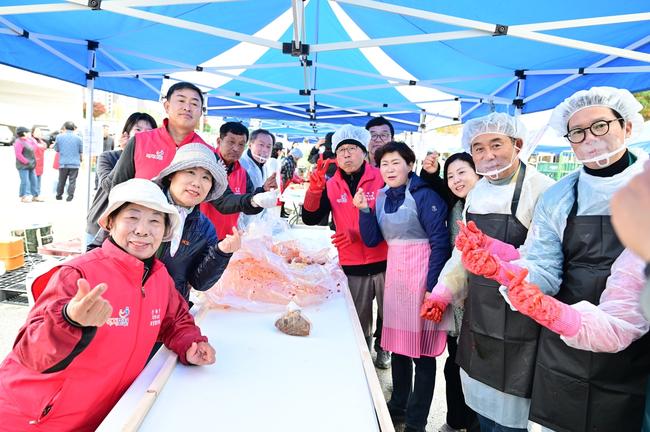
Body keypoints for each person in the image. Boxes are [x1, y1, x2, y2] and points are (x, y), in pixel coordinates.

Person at [457, 87, 650, 432]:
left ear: (628, 127)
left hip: (637, 343)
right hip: (562, 335)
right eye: (577, 132)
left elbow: (631, 297)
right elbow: (543, 261)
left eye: (600, 126)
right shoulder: (560, 196)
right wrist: (514, 276)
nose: (589, 139)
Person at [0, 178, 215, 431]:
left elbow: (175, 320)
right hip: (34, 418)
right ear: (110, 222)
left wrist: (190, 343)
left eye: (155, 221)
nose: (143, 230)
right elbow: (30, 354)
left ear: (166, 230)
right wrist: (69, 320)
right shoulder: (78, 274)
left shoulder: (159, 277)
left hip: (102, 417)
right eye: (132, 217)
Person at [423, 112, 554, 432]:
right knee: (481, 400)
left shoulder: (543, 190)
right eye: (479, 148)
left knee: (515, 407)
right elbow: (462, 252)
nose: (488, 155)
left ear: (518, 144)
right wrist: (442, 292)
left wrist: (504, 263)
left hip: (522, 314)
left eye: (496, 144)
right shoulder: (478, 193)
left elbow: (547, 259)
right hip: (480, 311)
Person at [354, 141, 449, 432]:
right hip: (396, 279)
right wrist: (365, 211)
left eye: (396, 162)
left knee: (423, 355)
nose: (390, 169)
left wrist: (432, 288)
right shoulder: (382, 196)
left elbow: (440, 243)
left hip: (424, 277)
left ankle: (417, 422)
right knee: (399, 348)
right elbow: (372, 239)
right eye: (384, 164)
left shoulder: (425, 195)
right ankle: (398, 405)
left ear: (410, 165)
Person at [302, 124, 391, 369]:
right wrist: (315, 190)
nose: (346, 154)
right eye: (341, 150)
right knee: (358, 316)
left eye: (352, 148)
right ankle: (363, 353)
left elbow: (395, 218)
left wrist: (359, 233)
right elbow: (310, 218)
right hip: (352, 263)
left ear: (364, 151)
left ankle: (384, 347)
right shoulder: (331, 184)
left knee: (389, 313)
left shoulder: (381, 177)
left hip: (385, 259)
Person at [153, 143, 239, 301]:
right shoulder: (143, 205)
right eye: (190, 172)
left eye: (206, 177)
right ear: (172, 175)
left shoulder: (205, 228)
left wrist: (221, 252)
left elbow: (200, 283)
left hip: (173, 309)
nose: (197, 183)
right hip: (127, 305)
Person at [440, 152, 481, 432]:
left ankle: (475, 425)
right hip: (457, 302)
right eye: (450, 176)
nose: (456, 180)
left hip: (484, 302)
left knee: (477, 369)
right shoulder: (455, 206)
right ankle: (455, 421)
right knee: (454, 364)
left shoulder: (490, 206)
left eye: (462, 172)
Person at [86, 113, 158, 243]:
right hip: (100, 223)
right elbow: (109, 187)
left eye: (149, 131)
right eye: (138, 129)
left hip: (132, 229)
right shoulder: (107, 157)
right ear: (126, 134)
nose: (143, 134)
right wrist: (127, 153)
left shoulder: (155, 162)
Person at [200, 122, 278, 239]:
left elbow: (249, 205)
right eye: (231, 142)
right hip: (201, 238)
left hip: (229, 238)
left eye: (241, 144)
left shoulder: (242, 172)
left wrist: (263, 191)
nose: (236, 148)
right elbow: (223, 202)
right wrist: (253, 200)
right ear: (219, 141)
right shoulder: (208, 165)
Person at [239, 128, 281, 224]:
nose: (265, 150)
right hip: (240, 222)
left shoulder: (264, 166)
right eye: (261, 145)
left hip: (255, 222)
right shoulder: (241, 164)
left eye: (268, 146)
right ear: (250, 145)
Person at [54, 121, 83, 202]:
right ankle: (70, 196)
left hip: (63, 163)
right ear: (73, 128)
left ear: (65, 127)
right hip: (75, 163)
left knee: (61, 180)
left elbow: (56, 149)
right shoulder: (79, 138)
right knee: (72, 181)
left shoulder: (59, 137)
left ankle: (59, 195)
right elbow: (81, 150)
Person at [14, 126, 40, 203]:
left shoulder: (28, 140)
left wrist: (33, 140)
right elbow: (18, 154)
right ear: (24, 133)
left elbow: (35, 148)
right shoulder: (18, 142)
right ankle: (23, 196)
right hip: (23, 165)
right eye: (28, 132)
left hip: (31, 164)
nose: (30, 133)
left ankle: (35, 196)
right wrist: (26, 161)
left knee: (34, 180)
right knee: (25, 181)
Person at [31, 125, 48, 200]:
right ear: (32, 133)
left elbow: (45, 146)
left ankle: (36, 195)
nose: (38, 133)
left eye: (39, 131)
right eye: (36, 131)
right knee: (32, 179)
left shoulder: (41, 141)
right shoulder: (31, 140)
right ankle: (33, 195)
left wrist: (40, 139)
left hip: (40, 163)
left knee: (38, 179)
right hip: (32, 163)